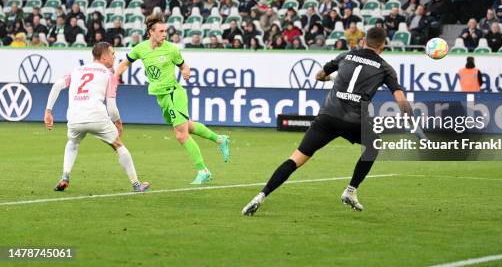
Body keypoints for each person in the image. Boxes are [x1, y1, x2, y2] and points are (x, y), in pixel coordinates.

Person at [242, 27, 413, 215]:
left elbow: (318, 75)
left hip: (327, 118)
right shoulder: (385, 67)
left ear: (363, 40)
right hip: (354, 122)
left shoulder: (346, 56)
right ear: (382, 45)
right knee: (374, 145)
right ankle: (351, 190)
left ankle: (261, 195)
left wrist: (329, 78)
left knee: (296, 159)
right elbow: (400, 99)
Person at [115, 14, 230, 184]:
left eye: (165, 31)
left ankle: (203, 170)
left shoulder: (171, 49)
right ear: (151, 32)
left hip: (174, 93)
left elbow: (184, 65)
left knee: (181, 135)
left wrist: (186, 71)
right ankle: (220, 139)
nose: (164, 34)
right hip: (161, 97)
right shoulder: (140, 48)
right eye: (161, 31)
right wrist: (114, 77)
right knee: (188, 126)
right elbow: (125, 63)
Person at [44, 42, 150, 193]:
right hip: (97, 117)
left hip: (75, 118)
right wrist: (118, 122)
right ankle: (136, 185)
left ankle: (65, 176)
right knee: (118, 146)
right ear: (105, 56)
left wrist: (48, 111)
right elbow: (111, 107)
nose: (115, 56)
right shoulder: (109, 74)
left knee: (73, 143)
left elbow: (56, 86)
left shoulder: (76, 70)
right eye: (113, 53)